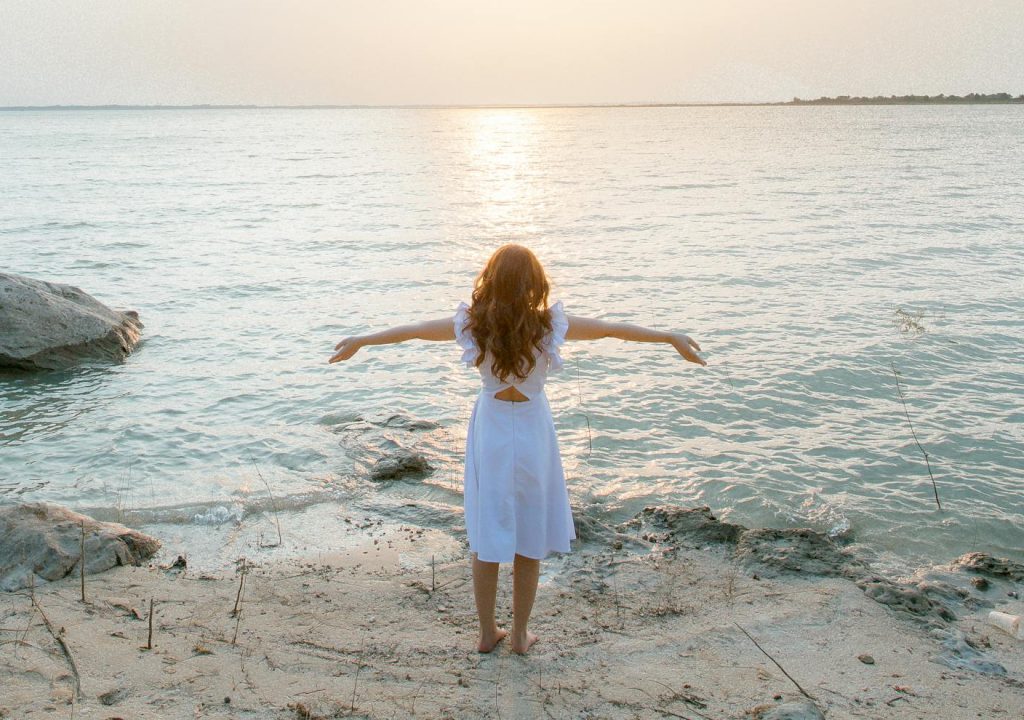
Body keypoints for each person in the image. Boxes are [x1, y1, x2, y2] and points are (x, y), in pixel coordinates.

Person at [329, 244, 705, 654]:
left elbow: (415, 329)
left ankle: (488, 633)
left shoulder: (474, 324)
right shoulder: (548, 326)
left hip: (490, 427)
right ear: (533, 282)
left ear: (490, 280)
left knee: (488, 530)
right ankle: (521, 635)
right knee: (530, 530)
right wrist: (669, 337)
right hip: (532, 429)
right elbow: (611, 328)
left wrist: (363, 340)